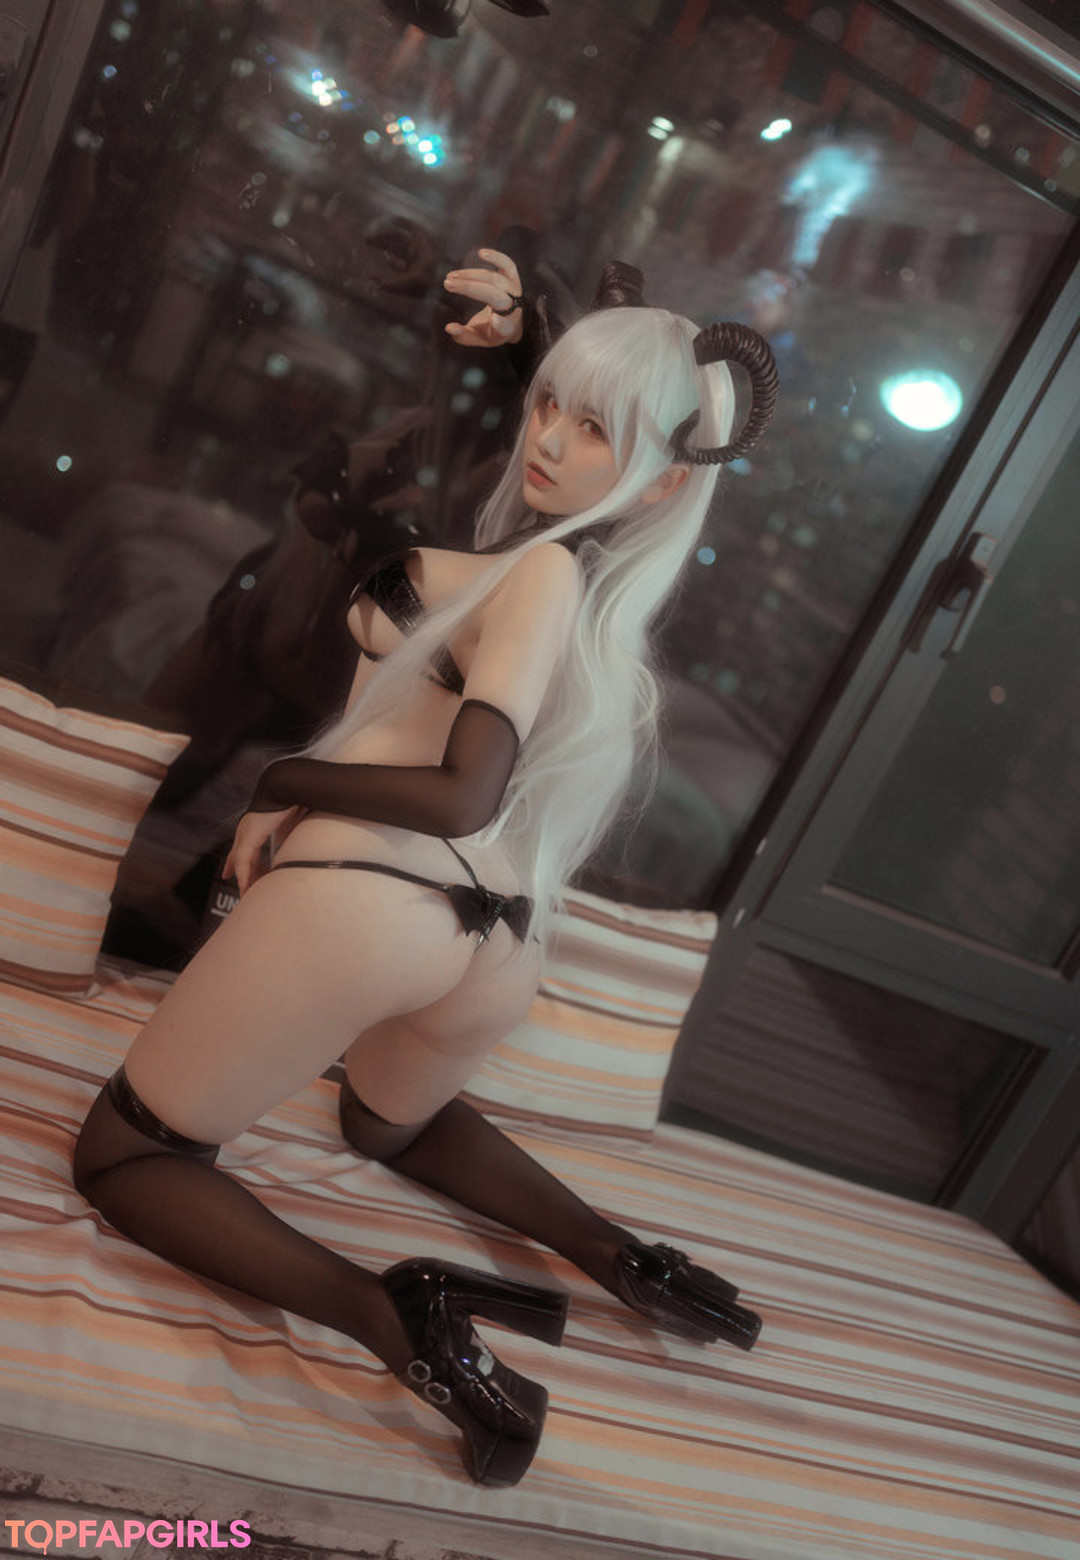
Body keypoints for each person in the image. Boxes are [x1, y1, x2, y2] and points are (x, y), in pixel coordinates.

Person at [73, 248, 778, 1488]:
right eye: (548, 405)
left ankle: (395, 1316)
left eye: (592, 428)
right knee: (381, 1123)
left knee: (126, 1157)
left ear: (665, 480)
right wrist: (531, 334)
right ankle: (623, 1258)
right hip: (491, 942)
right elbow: (594, 448)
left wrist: (283, 781)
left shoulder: (545, 573)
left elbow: (466, 787)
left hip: (375, 902)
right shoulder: (588, 590)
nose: (546, 439)